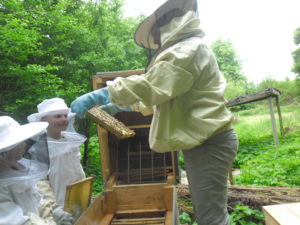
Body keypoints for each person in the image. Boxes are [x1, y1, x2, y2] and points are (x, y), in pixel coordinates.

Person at [70, 0, 238, 224]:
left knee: (211, 218)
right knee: (208, 213)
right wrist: (122, 106)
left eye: (157, 37)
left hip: (209, 143)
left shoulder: (188, 49)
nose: (157, 42)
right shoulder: (187, 49)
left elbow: (152, 86)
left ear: (168, 26)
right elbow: (160, 99)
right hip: (204, 143)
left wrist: (104, 94)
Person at [0, 116, 73, 225]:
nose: (24, 145)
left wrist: (53, 211)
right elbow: (13, 221)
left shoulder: (21, 167)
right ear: (4, 151)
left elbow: (35, 198)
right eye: (18, 142)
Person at [28, 98, 86, 207]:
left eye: (65, 115)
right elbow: (40, 181)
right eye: (58, 116)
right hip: (60, 202)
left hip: (79, 196)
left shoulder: (70, 141)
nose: (64, 119)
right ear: (44, 121)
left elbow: (78, 169)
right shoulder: (41, 149)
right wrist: (53, 207)